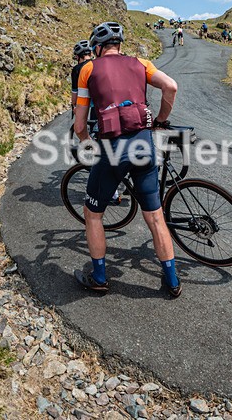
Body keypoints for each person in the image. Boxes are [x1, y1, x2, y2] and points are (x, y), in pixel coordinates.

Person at [73, 21, 182, 297]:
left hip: (111, 150)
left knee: (93, 215)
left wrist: (87, 144)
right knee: (156, 217)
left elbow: (79, 125)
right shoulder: (141, 62)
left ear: (97, 48)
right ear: (119, 44)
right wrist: (159, 121)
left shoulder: (88, 68)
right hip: (143, 145)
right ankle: (172, 281)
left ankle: (99, 278)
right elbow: (171, 86)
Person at [70, 40, 93, 111]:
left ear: (77, 56)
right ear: (91, 54)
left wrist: (74, 105)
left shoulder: (76, 69)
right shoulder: (98, 64)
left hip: (83, 105)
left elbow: (75, 90)